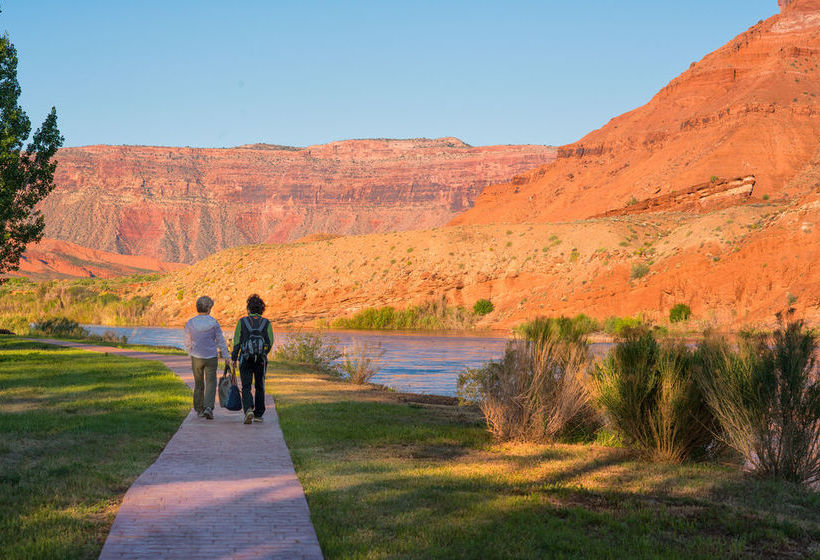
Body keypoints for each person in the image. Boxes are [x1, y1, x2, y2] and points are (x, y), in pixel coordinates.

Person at [184, 296, 232, 420]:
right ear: (209, 308)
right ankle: (208, 407)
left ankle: (199, 409)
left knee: (198, 383)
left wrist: (190, 352)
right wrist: (226, 356)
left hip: (197, 357)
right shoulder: (213, 322)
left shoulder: (191, 322)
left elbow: (187, 340)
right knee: (211, 382)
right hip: (211, 357)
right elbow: (221, 341)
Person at [231, 294, 274, 424]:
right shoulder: (266, 323)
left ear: (248, 308)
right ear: (262, 309)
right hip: (260, 360)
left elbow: (237, 341)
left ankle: (248, 409)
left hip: (245, 359)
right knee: (260, 386)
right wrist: (263, 354)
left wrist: (234, 357)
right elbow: (270, 342)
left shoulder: (242, 322)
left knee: (246, 386)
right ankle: (259, 415)